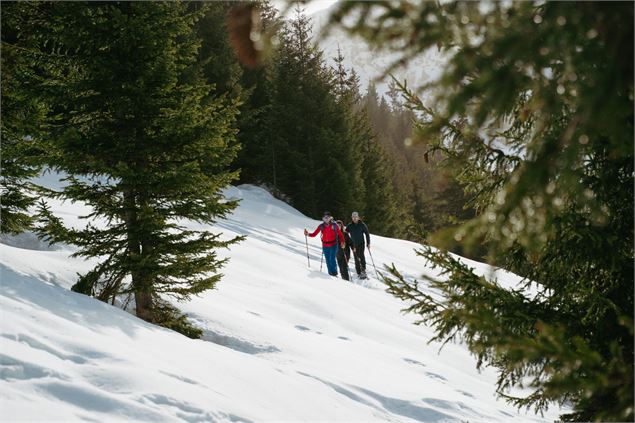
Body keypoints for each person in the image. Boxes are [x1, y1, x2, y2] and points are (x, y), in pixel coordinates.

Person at [305, 211, 345, 277]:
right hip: (325, 245)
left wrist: (342, 242)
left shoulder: (334, 225)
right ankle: (330, 273)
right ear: (323, 218)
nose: (326, 219)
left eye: (327, 217)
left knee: (332, 258)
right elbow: (314, 234)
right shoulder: (321, 226)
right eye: (325, 217)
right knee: (327, 260)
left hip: (333, 244)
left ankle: (334, 273)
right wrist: (308, 234)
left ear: (330, 218)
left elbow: (340, 235)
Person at [346, 211, 370, 279]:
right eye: (353, 217)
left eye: (356, 217)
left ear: (358, 217)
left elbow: (367, 234)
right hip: (353, 245)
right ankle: (358, 272)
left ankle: (363, 270)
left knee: (361, 256)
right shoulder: (350, 225)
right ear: (352, 218)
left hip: (361, 243)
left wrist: (368, 243)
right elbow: (345, 233)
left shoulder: (362, 224)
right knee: (356, 257)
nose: (354, 218)